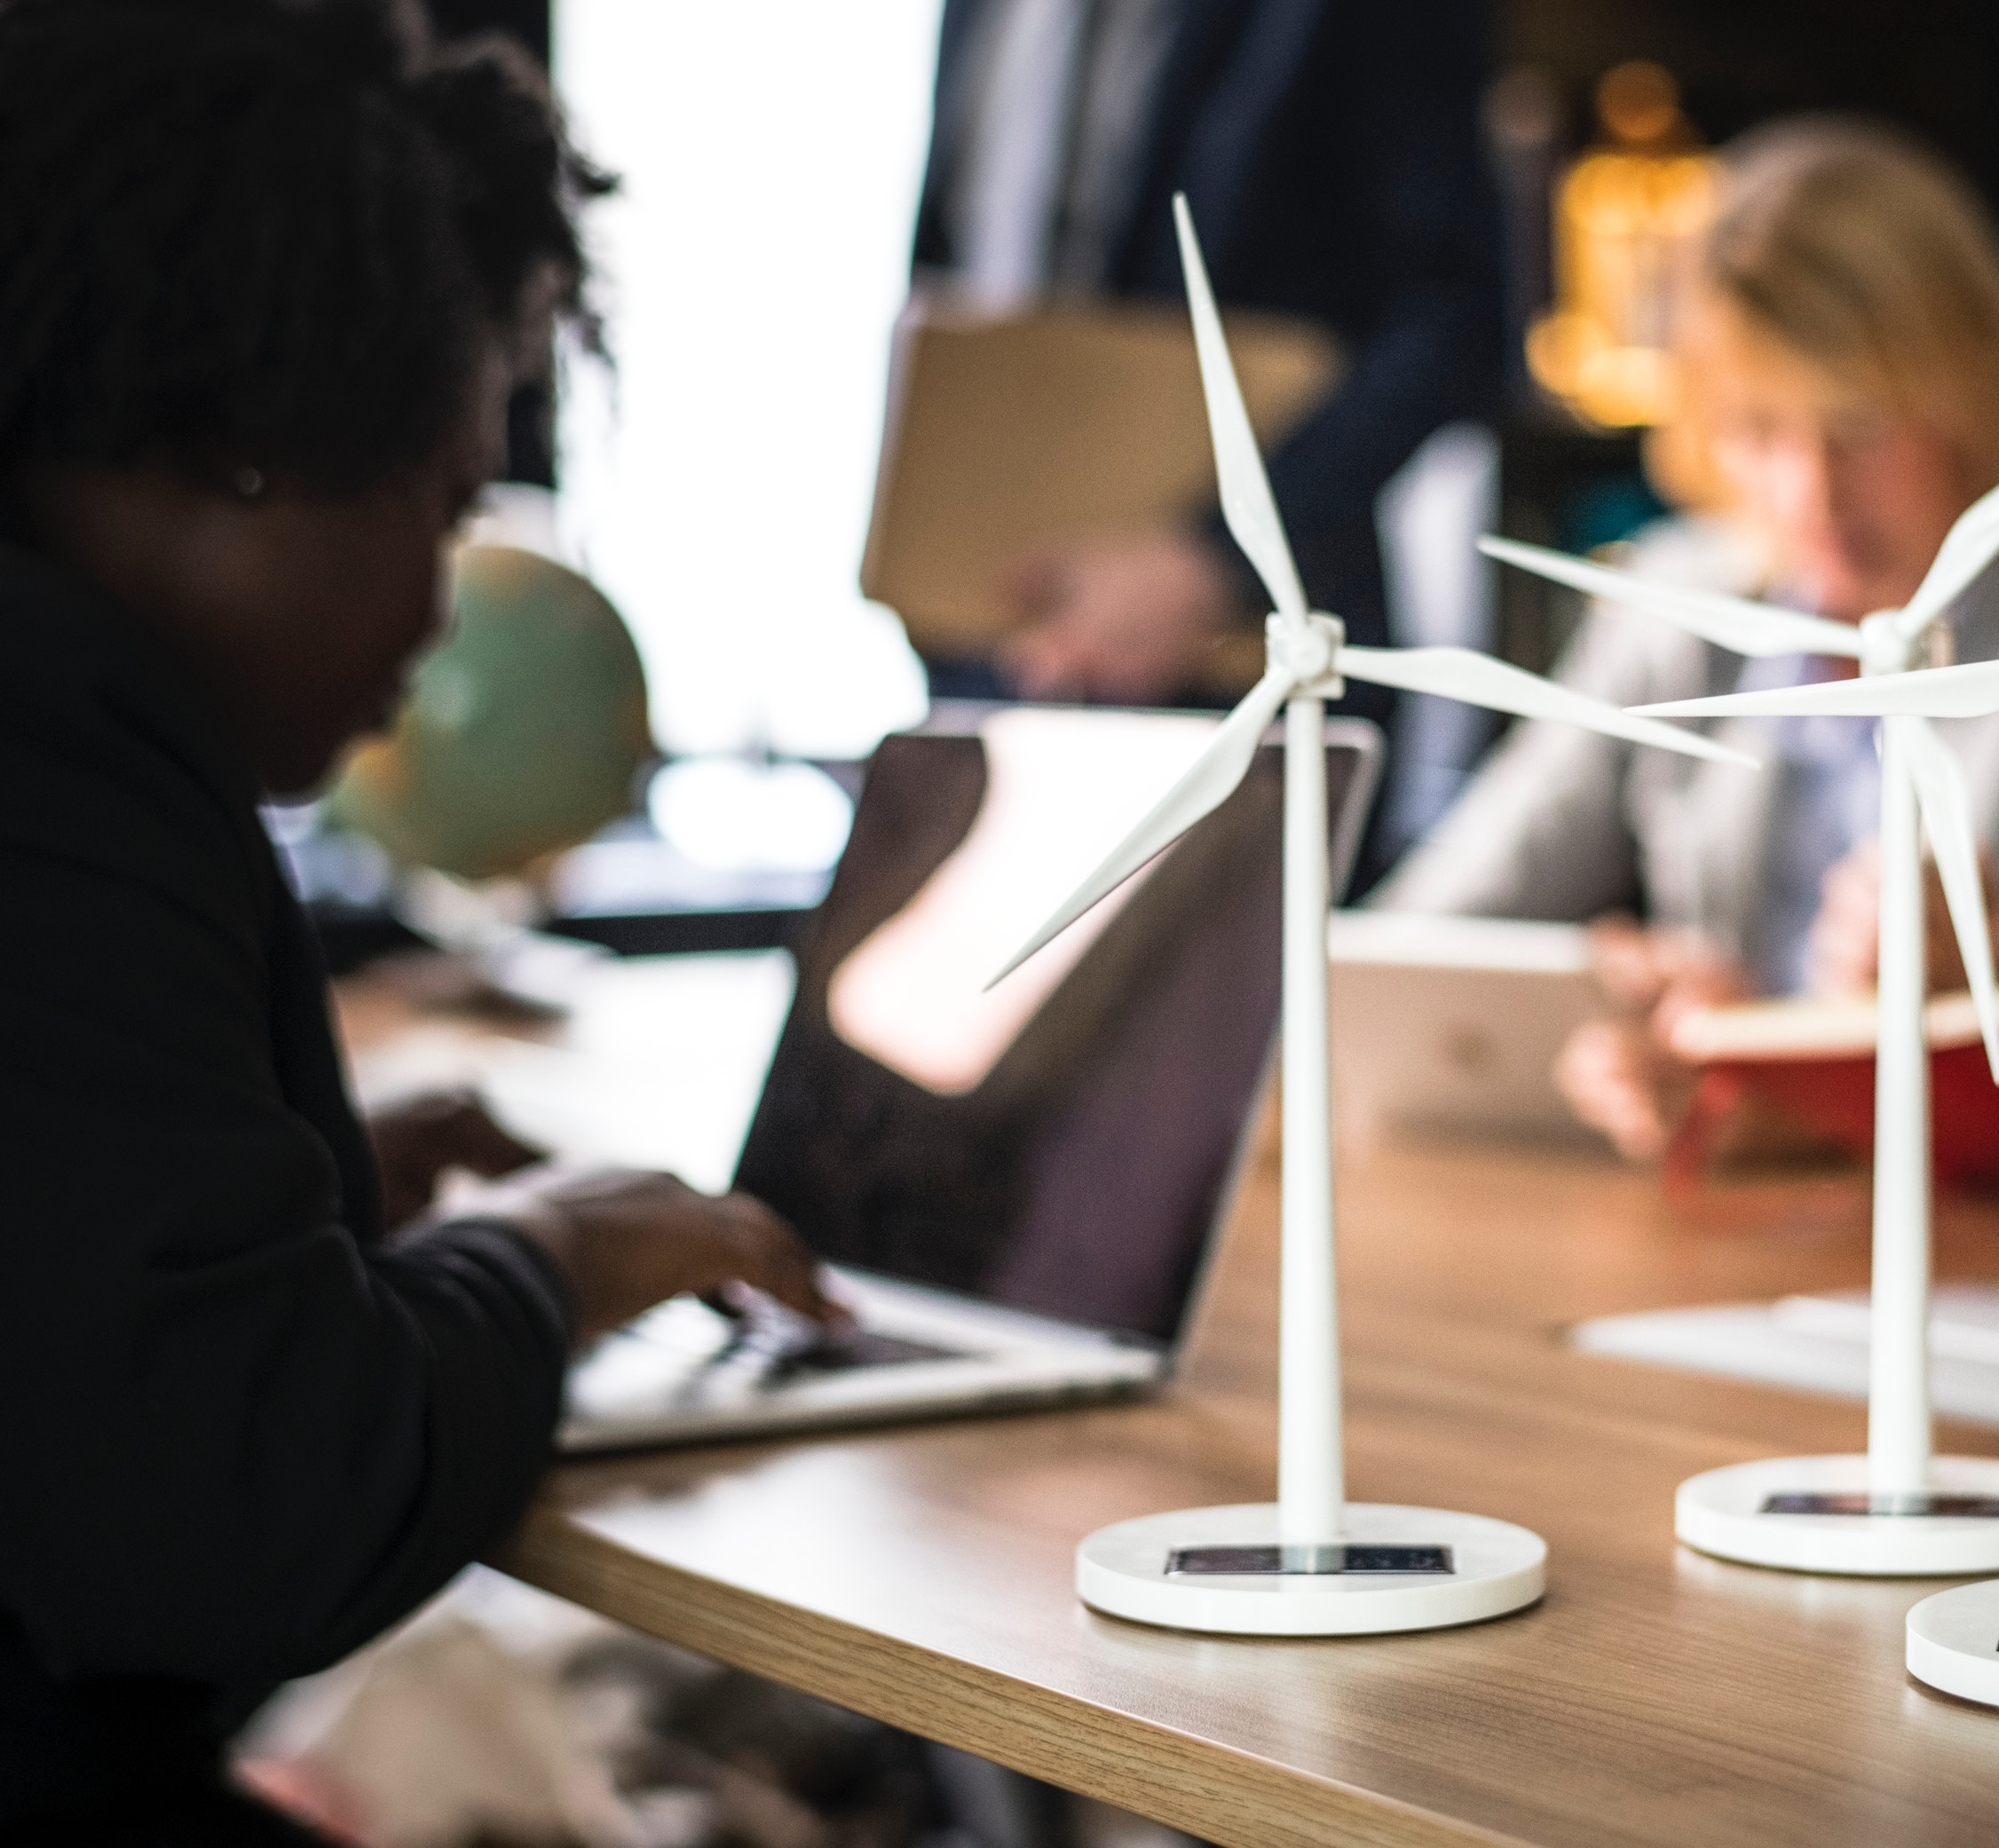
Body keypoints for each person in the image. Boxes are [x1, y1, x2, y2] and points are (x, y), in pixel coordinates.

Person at [0, 4, 834, 1839]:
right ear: (251, 448)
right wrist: (552, 1256)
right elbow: (239, 1511)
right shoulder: (58, 733)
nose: (434, 621)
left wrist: (287, 1221)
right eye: (442, 510)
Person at [1374, 119, 1999, 1160]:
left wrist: (1991, 982)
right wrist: (1597, 999)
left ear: (1969, 391)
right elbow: (1418, 935)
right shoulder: (1677, 599)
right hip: (1735, 1224)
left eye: (1857, 423)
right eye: (1759, 430)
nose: (1809, 492)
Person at [906, 0, 1503, 707]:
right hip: (986, 644)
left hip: (1249, 663)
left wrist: (1215, 559)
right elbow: (953, 262)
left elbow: (1455, 313)